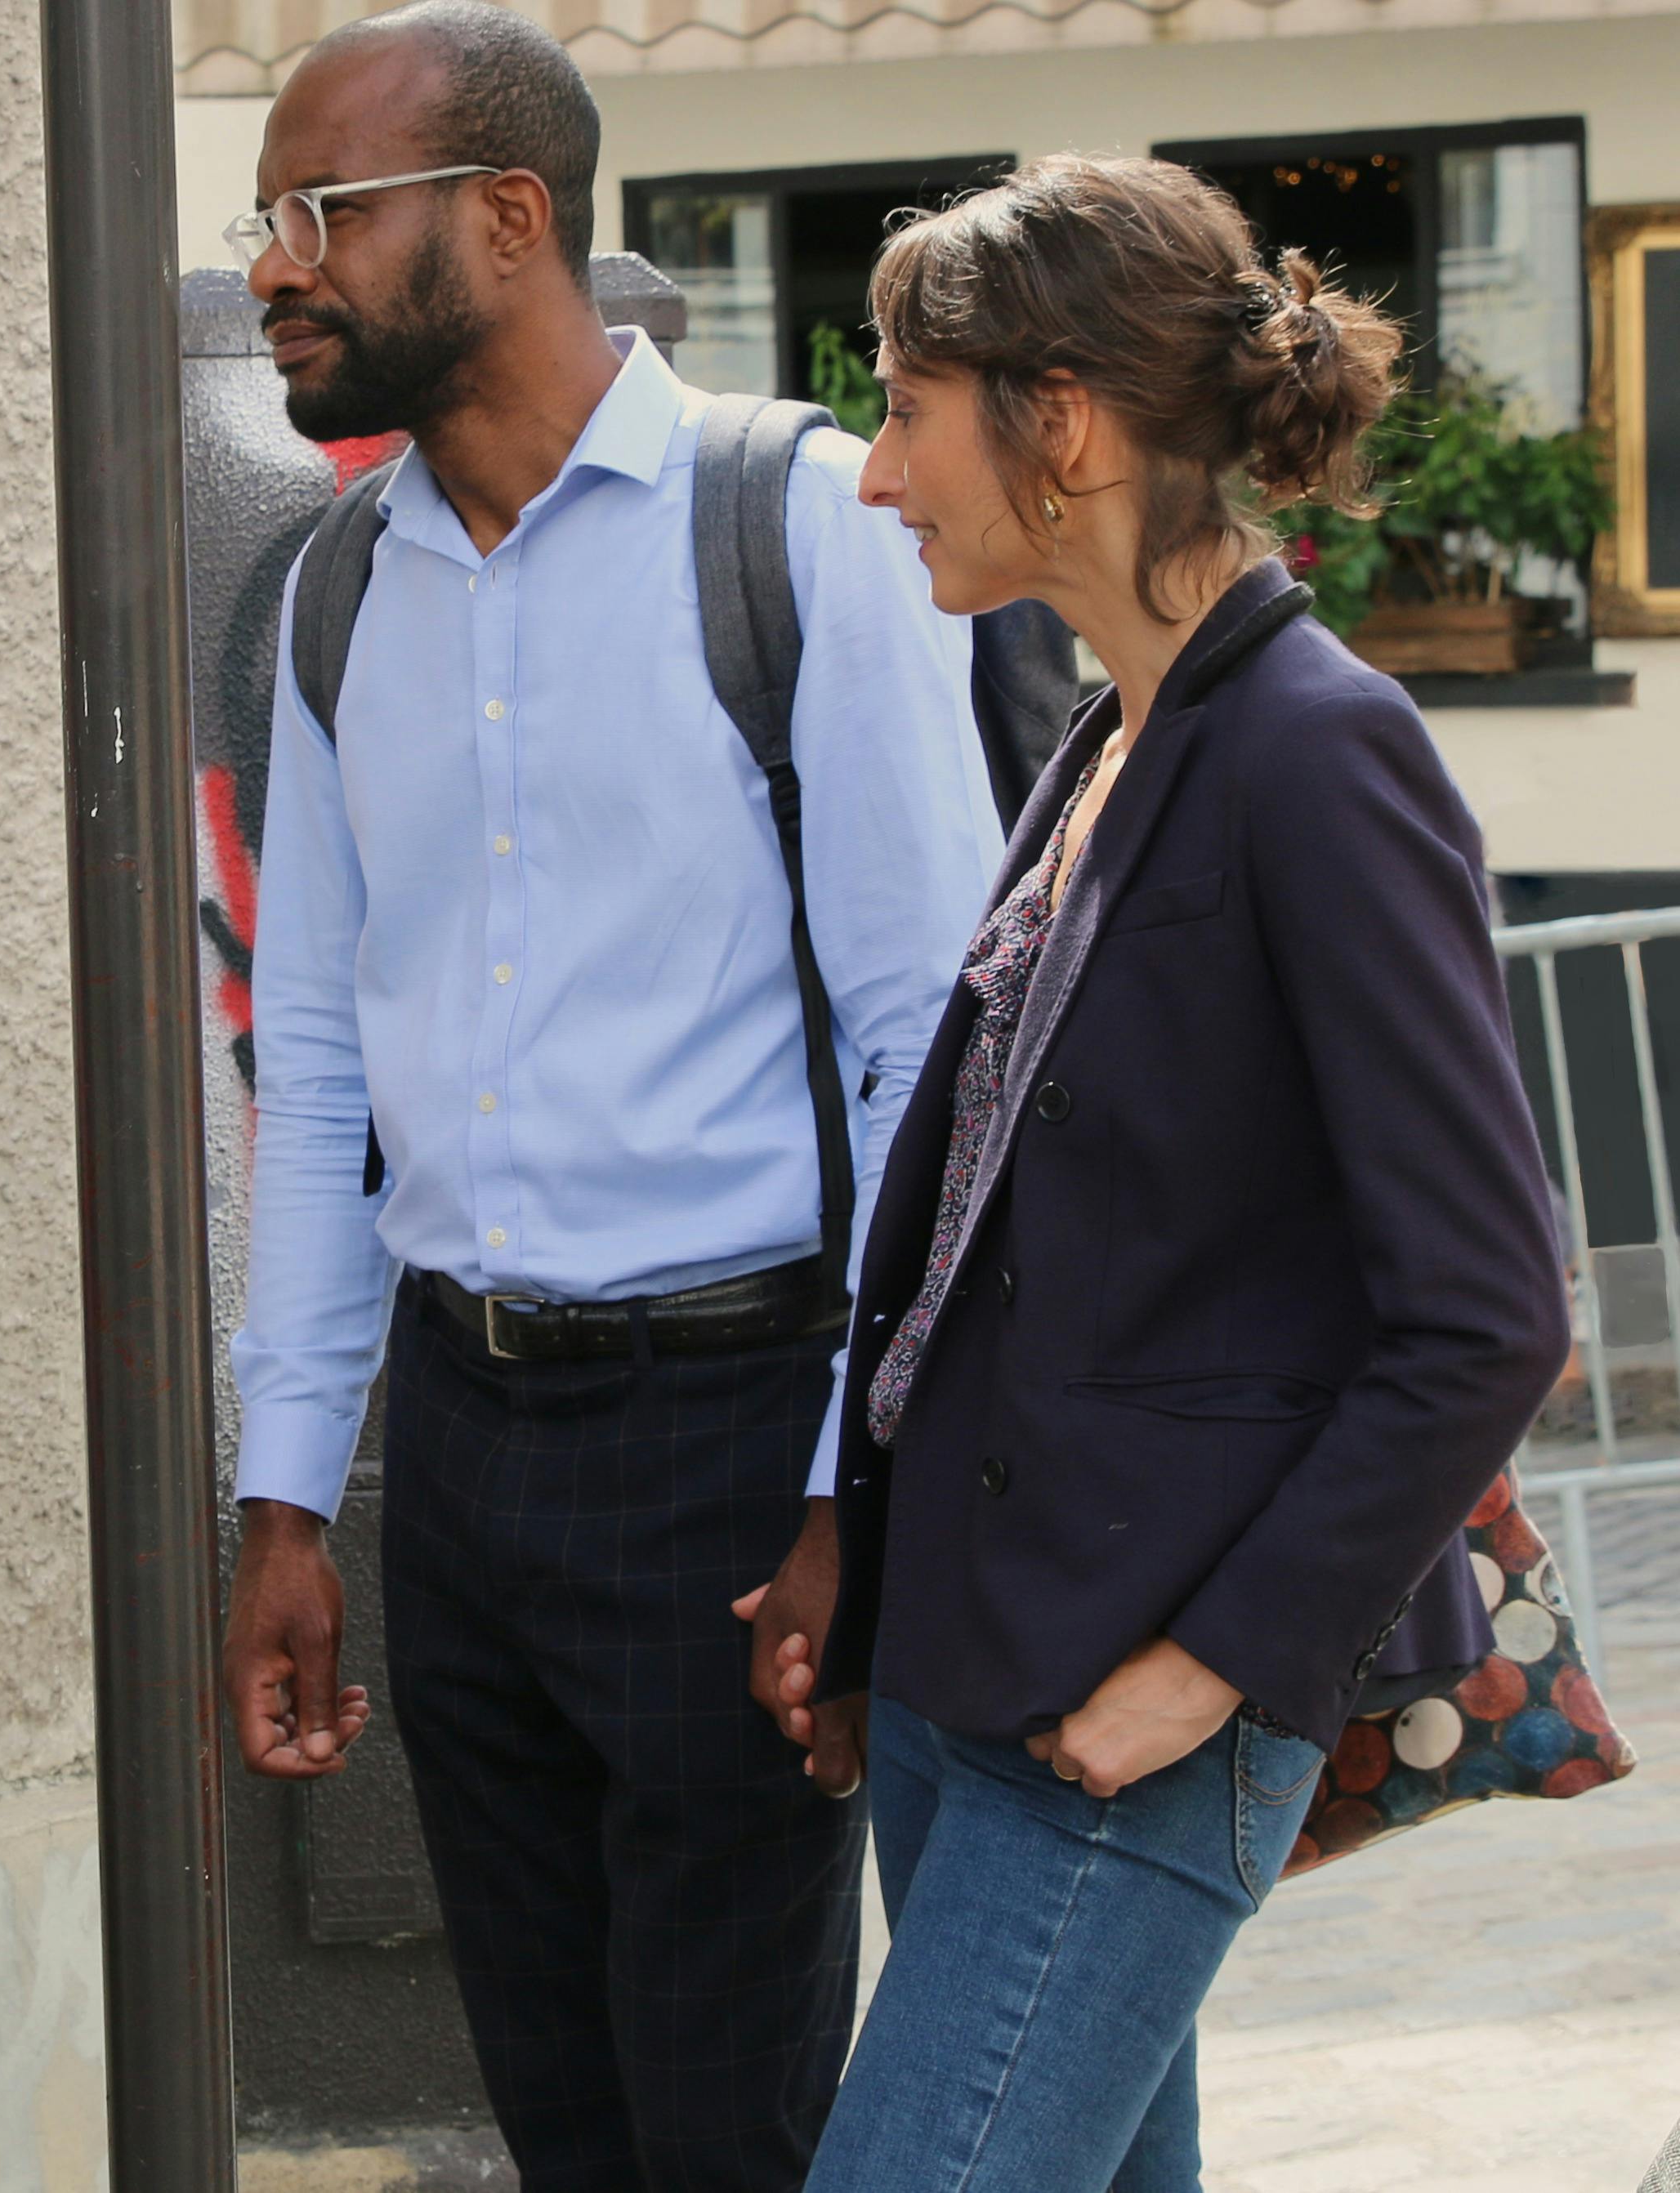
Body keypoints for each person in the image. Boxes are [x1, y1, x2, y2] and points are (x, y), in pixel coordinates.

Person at [214, 7, 998, 2185]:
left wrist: (851, 1483)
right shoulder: (330, 594)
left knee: (723, 2123)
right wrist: (286, 1505)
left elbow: (917, 1048)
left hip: (735, 1445)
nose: (274, 263)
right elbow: (314, 1079)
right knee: (561, 2118)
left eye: (318, 212)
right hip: (460, 1462)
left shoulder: (796, 524)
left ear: (505, 215)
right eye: (257, 218)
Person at [744, 154, 1571, 2192]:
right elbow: (980, 1240)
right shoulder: (1104, 737)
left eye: (907, 410)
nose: (872, 475)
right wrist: (862, 1572)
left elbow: (1484, 1308)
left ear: (1063, 426)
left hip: (1131, 1698)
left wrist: (1208, 1670)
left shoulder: (1314, 749)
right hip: (968, 1674)